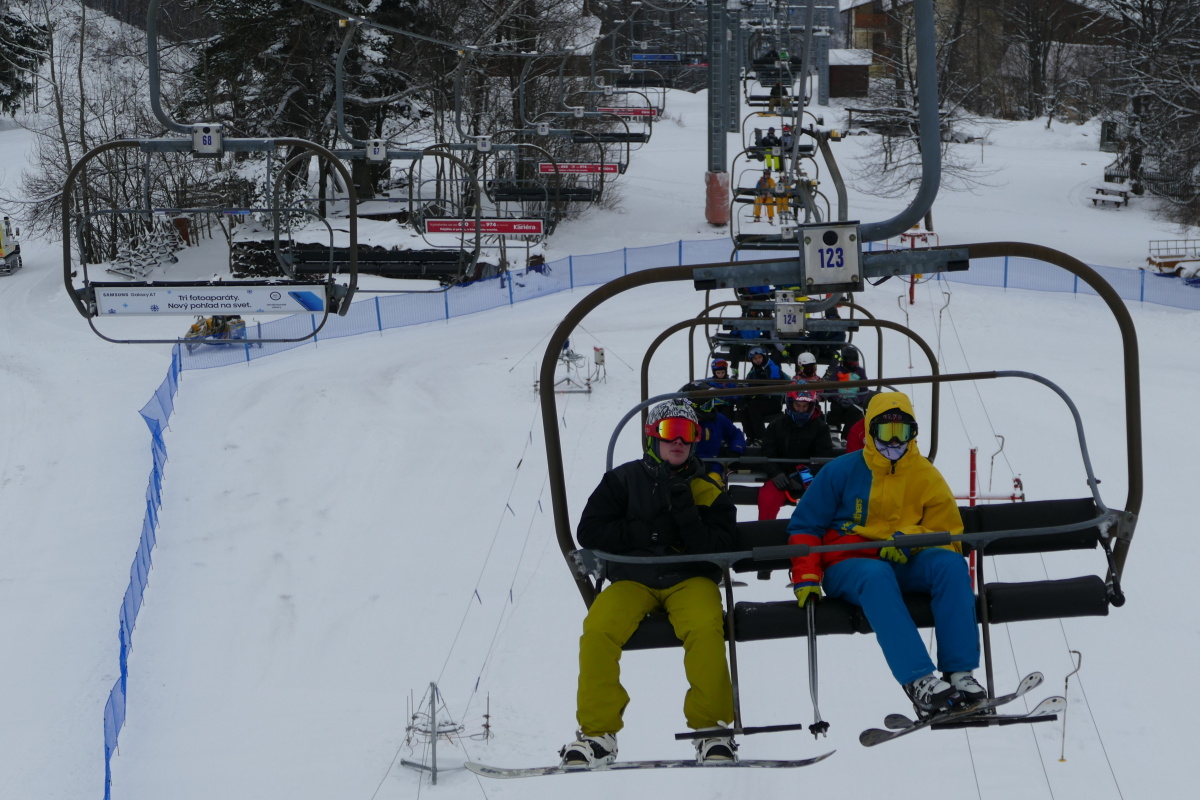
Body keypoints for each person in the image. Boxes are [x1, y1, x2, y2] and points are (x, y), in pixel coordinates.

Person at [561, 400, 739, 767]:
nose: (678, 442)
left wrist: (688, 518)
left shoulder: (706, 486)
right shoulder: (623, 480)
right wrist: (643, 532)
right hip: (633, 580)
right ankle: (597, 734)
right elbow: (589, 530)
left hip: (689, 580)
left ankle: (712, 729)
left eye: (687, 434)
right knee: (598, 629)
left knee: (706, 628)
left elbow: (722, 547)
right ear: (651, 439)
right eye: (668, 432)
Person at [785, 392, 986, 716]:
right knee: (876, 575)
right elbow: (806, 525)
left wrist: (910, 540)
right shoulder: (842, 471)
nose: (894, 442)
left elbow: (949, 534)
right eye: (885, 432)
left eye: (902, 433)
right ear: (869, 431)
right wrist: (806, 575)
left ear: (913, 434)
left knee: (949, 565)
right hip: (849, 563)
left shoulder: (924, 475)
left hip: (904, 561)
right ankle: (918, 679)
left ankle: (959, 672)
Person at [757, 389, 834, 520]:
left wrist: (803, 475)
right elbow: (767, 454)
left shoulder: (821, 428)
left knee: (821, 501)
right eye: (797, 405)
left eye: (805, 406)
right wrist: (776, 473)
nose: (801, 410)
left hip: (809, 477)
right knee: (767, 498)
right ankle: (765, 532)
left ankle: (811, 533)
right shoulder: (776, 426)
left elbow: (824, 458)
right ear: (790, 404)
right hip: (781, 476)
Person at [682, 382, 747, 478]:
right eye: (707, 406)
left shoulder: (718, 419)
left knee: (714, 484)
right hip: (687, 469)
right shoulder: (681, 423)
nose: (711, 409)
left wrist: (735, 450)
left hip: (713, 467)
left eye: (712, 404)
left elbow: (735, 434)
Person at [739, 346, 785, 444]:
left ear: (763, 357)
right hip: (761, 399)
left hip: (774, 401)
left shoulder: (772, 367)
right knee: (743, 408)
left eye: (759, 357)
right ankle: (751, 437)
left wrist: (762, 385)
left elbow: (775, 381)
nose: (758, 360)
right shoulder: (754, 370)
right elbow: (747, 384)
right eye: (755, 359)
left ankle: (761, 438)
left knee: (753, 406)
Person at [822, 345, 870, 436]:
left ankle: (846, 436)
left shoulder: (860, 372)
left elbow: (864, 390)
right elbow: (832, 388)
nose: (853, 366)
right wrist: (838, 399)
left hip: (854, 401)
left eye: (855, 363)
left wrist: (856, 399)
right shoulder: (837, 371)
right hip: (839, 400)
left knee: (854, 412)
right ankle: (833, 434)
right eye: (851, 364)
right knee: (835, 410)